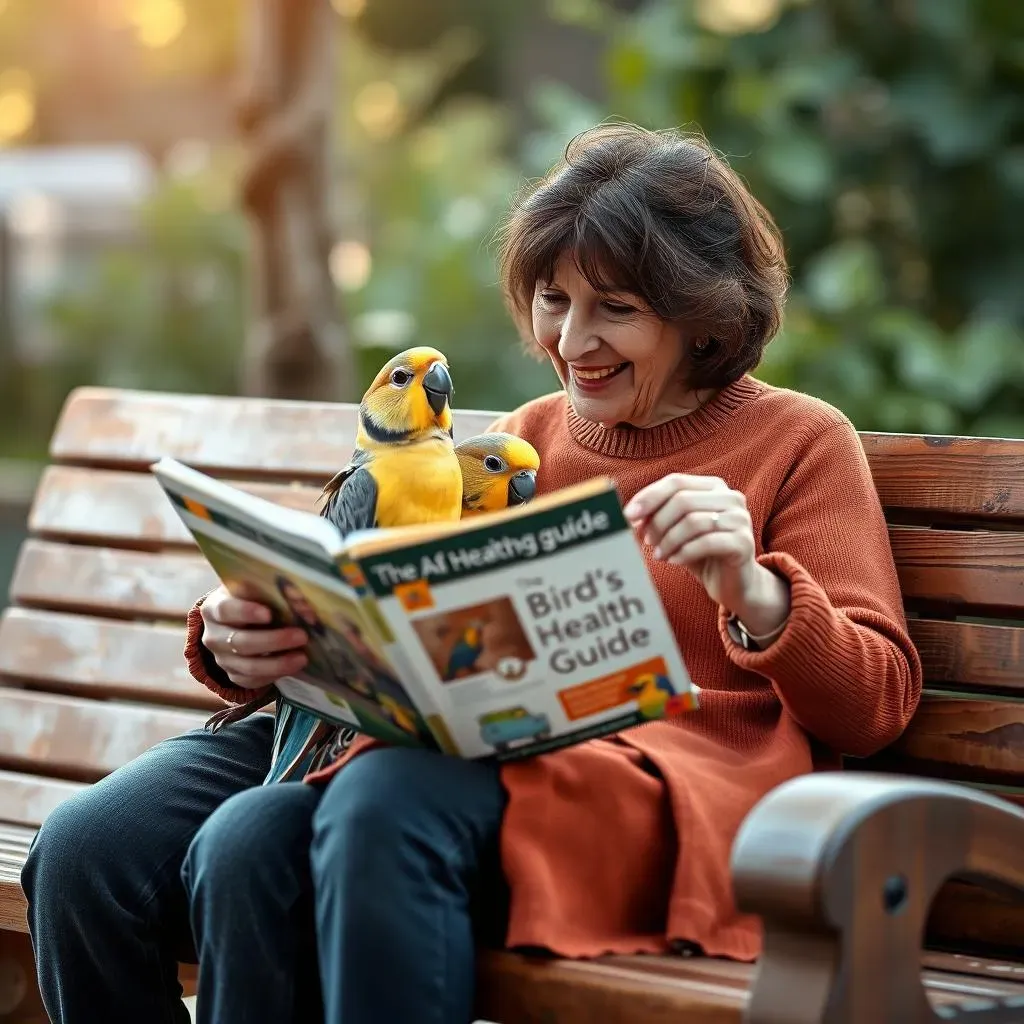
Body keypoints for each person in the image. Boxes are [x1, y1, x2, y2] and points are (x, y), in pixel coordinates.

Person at [21, 122, 922, 1024]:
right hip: (414, 747)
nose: (573, 339)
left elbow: (873, 704)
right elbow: (405, 615)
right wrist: (248, 633)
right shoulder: (522, 440)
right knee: (85, 849)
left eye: (615, 308)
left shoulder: (801, 442)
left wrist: (751, 589)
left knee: (280, 834)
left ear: (701, 317)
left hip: (657, 785)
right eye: (553, 298)